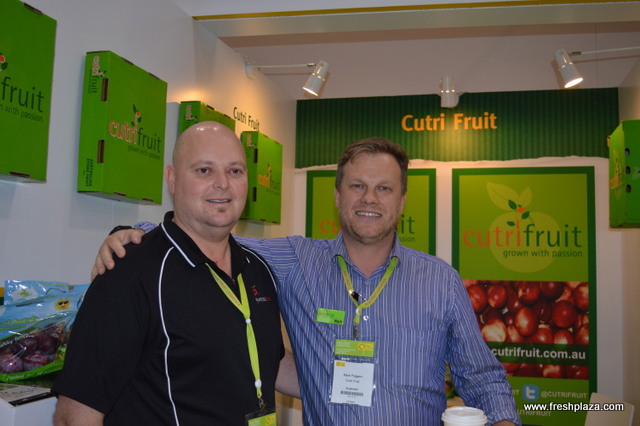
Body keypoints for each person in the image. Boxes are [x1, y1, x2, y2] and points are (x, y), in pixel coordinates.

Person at [93, 137, 521, 425]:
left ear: (402, 199)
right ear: (337, 195)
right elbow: (209, 235)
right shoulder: (298, 261)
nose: (369, 199)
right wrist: (133, 234)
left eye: (384, 189)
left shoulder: (440, 280)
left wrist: (502, 421)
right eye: (357, 186)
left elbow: (481, 376)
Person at [53, 122, 298, 426]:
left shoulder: (257, 270)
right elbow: (74, 416)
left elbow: (266, 360)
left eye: (235, 171)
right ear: (172, 179)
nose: (222, 184)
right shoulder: (129, 274)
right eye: (204, 170)